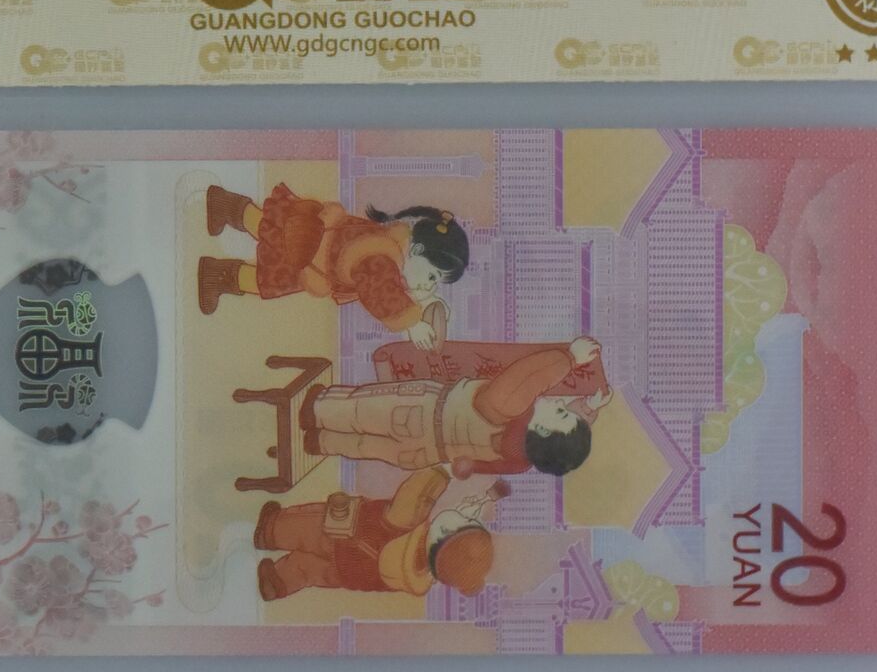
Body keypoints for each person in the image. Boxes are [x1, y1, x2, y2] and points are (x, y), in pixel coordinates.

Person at [197, 183, 468, 350]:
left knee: (269, 227)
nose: (429, 285)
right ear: (417, 250)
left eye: (435, 283)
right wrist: (412, 323)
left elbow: (395, 284)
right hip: (311, 253)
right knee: (268, 276)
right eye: (432, 276)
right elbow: (380, 293)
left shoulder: (393, 245)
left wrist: (427, 302)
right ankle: (217, 273)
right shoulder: (383, 258)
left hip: (316, 239)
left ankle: (226, 208)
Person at [301, 336, 612, 480]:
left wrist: (570, 358)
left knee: (360, 411)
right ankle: (323, 442)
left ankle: (317, 409)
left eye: (560, 412)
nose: (558, 404)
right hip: (423, 454)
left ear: (541, 428)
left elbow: (528, 377)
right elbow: (475, 467)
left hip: (418, 413)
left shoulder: (509, 407)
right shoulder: (520, 461)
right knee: (364, 446)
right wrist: (587, 407)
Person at [254, 466, 510, 600]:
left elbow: (417, 492)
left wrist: (442, 472)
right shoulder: (416, 576)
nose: (465, 515)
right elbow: (464, 513)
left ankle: (270, 529)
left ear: (445, 533)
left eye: (465, 521)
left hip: (342, 535)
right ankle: (278, 582)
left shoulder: (408, 522)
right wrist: (489, 497)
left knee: (307, 526)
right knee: (309, 570)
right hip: (348, 574)